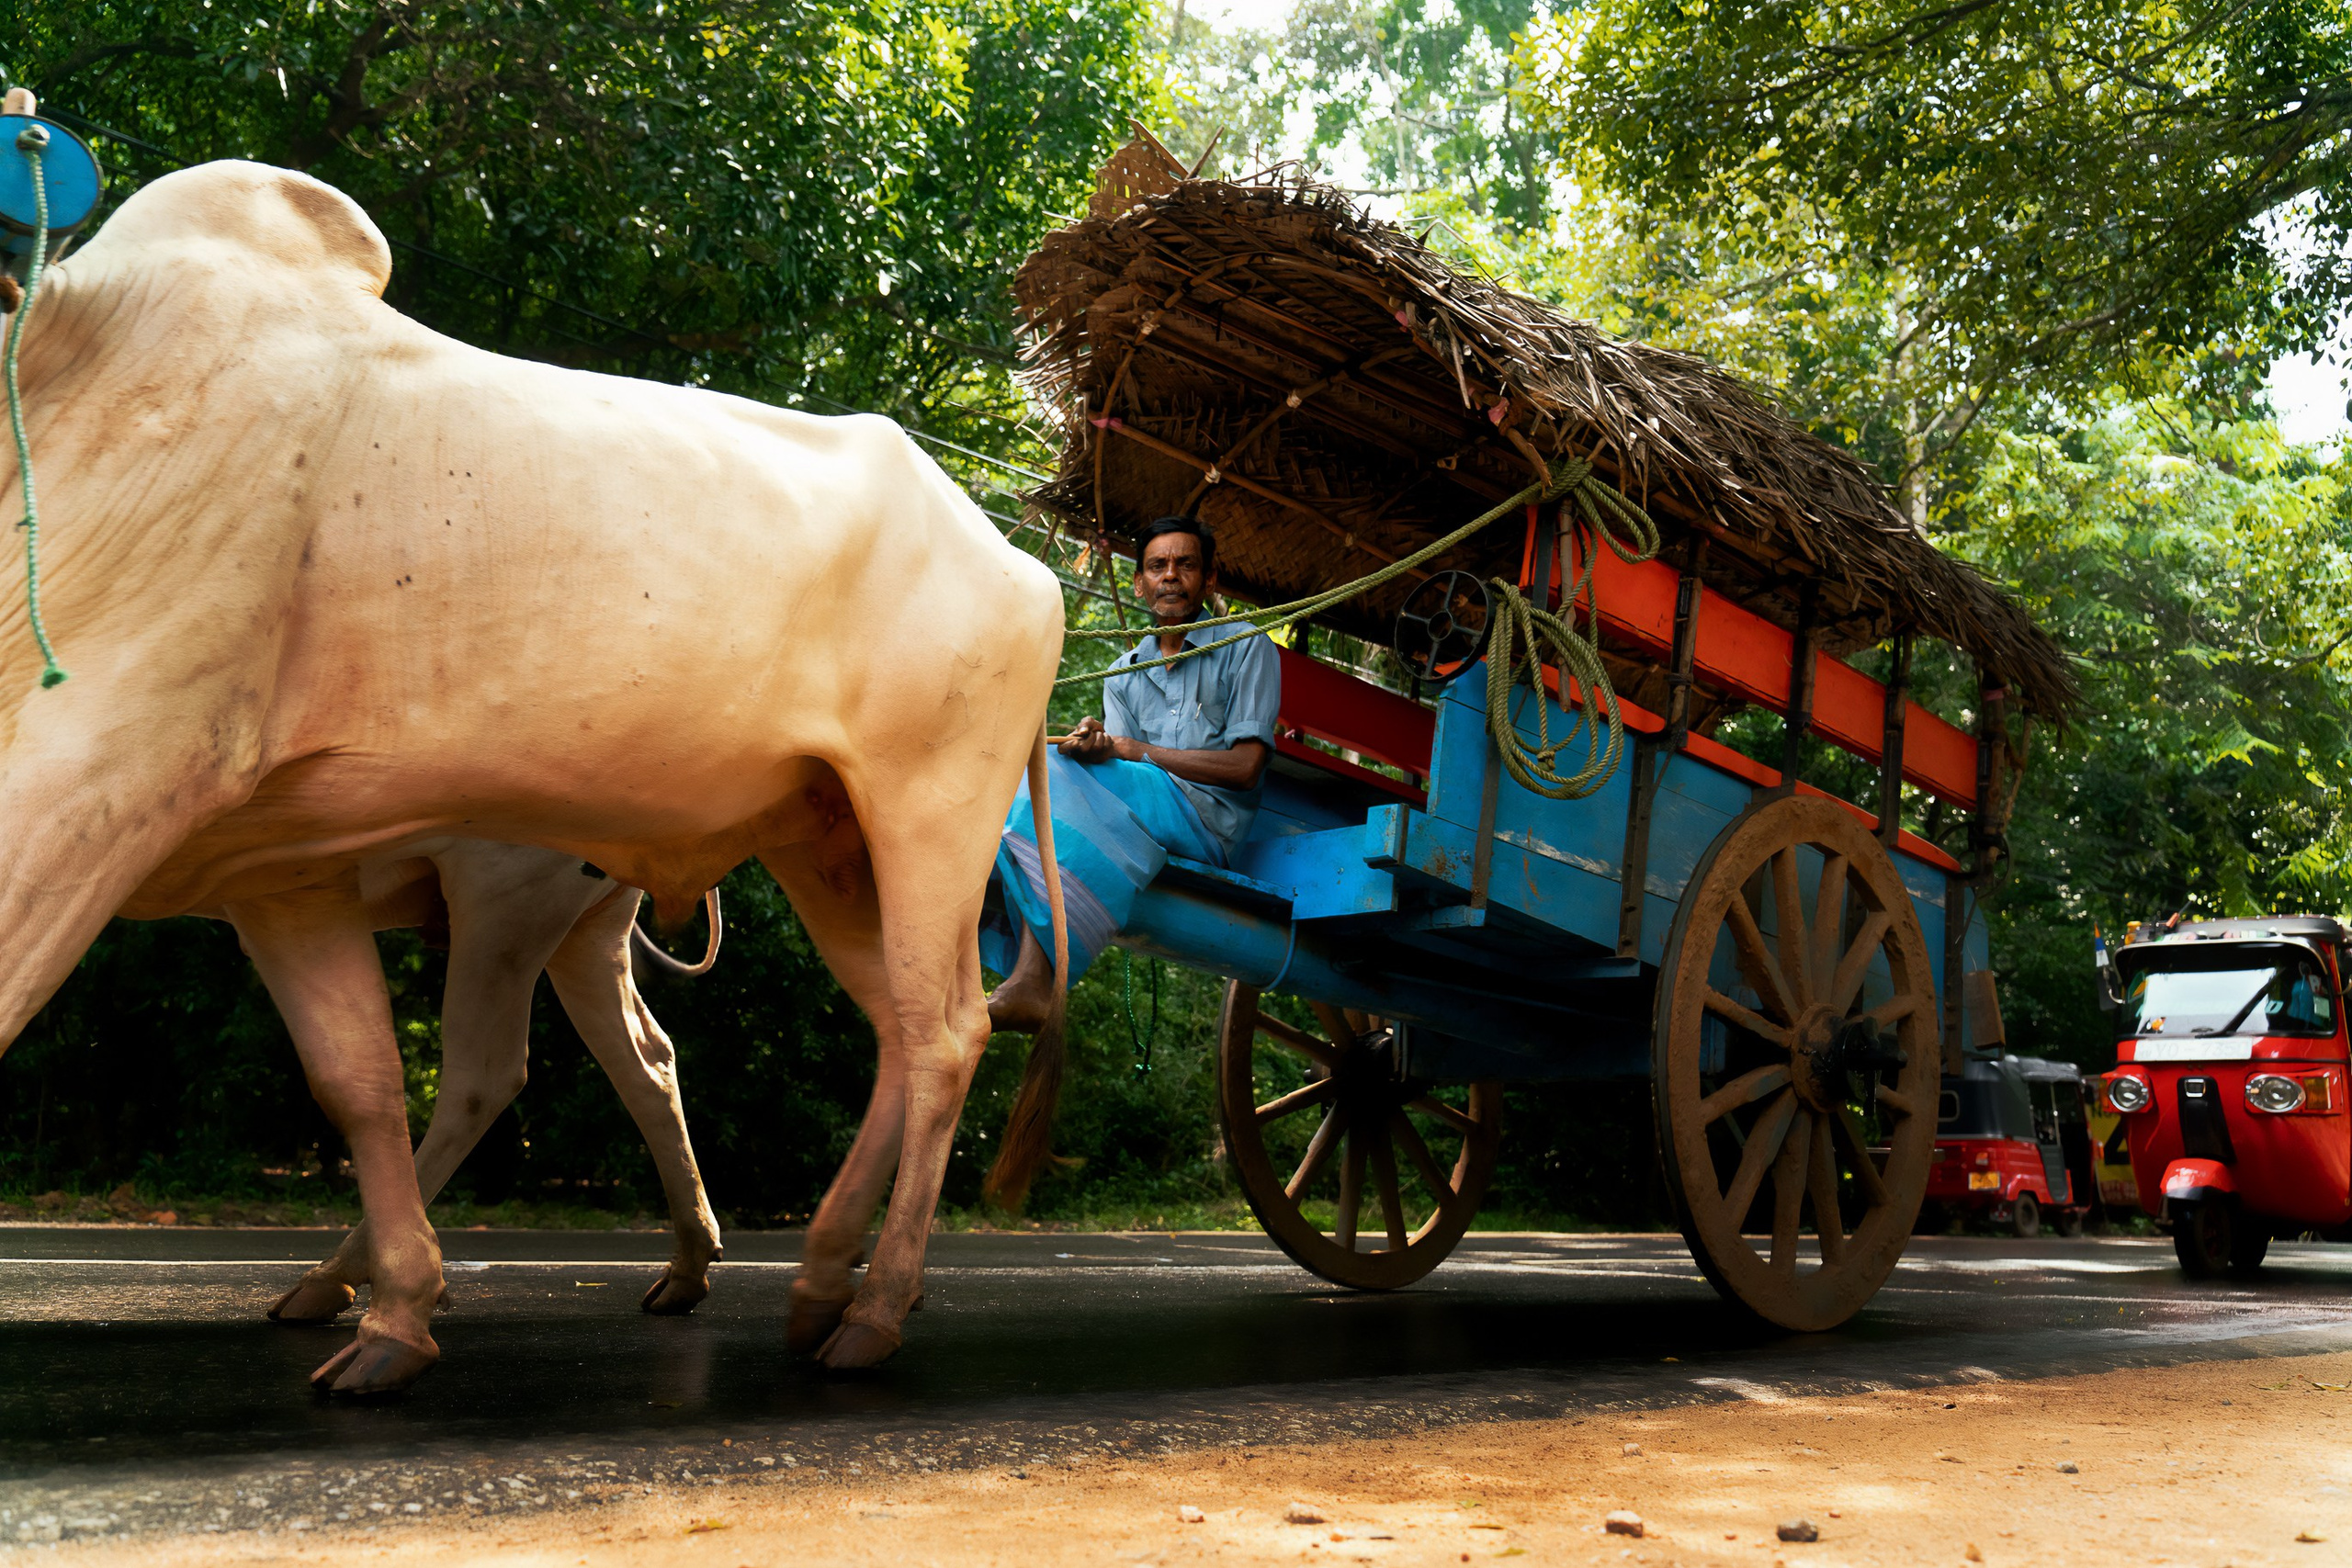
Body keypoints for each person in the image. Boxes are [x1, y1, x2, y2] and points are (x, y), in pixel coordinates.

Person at [983, 515, 1280, 1032]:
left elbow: (1246, 768)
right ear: (1140, 583)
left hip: (1208, 823)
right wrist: (1098, 745)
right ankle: (1002, 966)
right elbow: (1115, 764)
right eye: (1157, 566)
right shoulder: (1126, 672)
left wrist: (1132, 750)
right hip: (1141, 815)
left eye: (1185, 565)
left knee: (1047, 770)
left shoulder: (1246, 645)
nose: (1171, 576)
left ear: (1208, 580)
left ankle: (1034, 979)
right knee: (1022, 772)